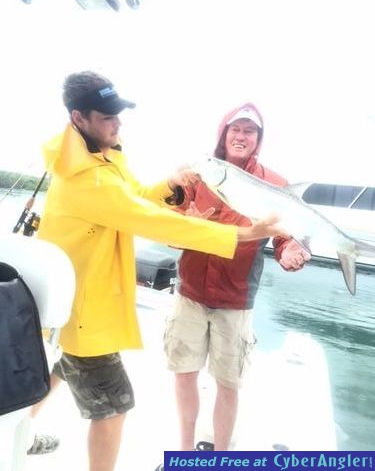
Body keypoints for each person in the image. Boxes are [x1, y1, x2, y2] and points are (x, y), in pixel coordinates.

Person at [29, 73, 289, 471]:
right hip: (86, 313)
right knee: (113, 408)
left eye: (119, 114)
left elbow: (133, 198)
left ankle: (18, 429)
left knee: (64, 368)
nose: (117, 124)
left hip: (83, 303)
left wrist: (169, 184)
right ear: (79, 118)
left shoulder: (103, 158)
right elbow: (156, 222)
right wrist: (244, 233)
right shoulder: (90, 178)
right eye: (107, 117)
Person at [157, 102, 310, 467]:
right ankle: (183, 454)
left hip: (236, 298)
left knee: (229, 382)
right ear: (223, 134)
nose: (241, 137)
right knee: (184, 373)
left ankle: (221, 459)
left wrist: (290, 250)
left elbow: (285, 235)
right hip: (190, 293)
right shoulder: (197, 176)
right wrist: (185, 227)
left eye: (249, 132)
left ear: (258, 139)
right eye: (235, 130)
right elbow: (170, 229)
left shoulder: (274, 183)